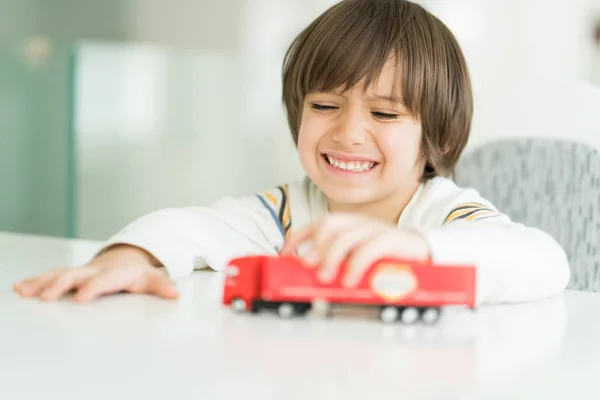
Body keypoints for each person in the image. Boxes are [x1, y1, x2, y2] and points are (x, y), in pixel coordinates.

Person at [13, 0, 570, 305]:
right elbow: (196, 227)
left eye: (383, 113)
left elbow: (544, 262)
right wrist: (131, 257)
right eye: (325, 106)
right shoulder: (283, 213)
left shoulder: (446, 214)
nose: (349, 134)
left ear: (439, 139)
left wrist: (413, 247)